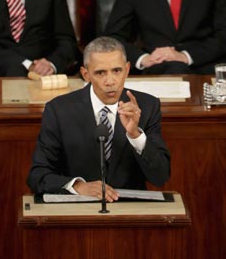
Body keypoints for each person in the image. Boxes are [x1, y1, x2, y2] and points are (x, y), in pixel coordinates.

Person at [27, 36, 170, 201]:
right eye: (100, 73)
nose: (110, 81)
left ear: (127, 69)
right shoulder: (59, 110)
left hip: (130, 211)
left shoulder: (147, 106)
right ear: (86, 74)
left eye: (117, 71)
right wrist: (78, 186)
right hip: (78, 210)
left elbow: (161, 177)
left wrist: (135, 135)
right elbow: (37, 176)